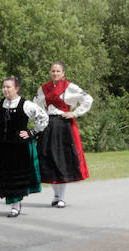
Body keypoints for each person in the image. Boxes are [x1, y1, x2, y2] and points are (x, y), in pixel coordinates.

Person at [33, 61, 92, 208]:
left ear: (63, 73)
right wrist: (40, 118)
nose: (55, 73)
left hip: (64, 125)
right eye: (53, 71)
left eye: (58, 71)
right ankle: (56, 195)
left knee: (62, 159)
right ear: (50, 72)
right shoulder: (43, 89)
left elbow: (87, 99)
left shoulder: (70, 87)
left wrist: (74, 113)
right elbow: (36, 106)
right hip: (48, 125)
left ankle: (62, 197)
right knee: (48, 159)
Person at [0, 77, 48, 218]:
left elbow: (43, 118)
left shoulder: (26, 105)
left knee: (16, 176)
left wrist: (31, 132)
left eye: (8, 87)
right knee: (5, 175)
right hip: (2, 146)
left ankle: (15, 206)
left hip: (19, 146)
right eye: (4, 87)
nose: (5, 89)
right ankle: (13, 204)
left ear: (16, 88)